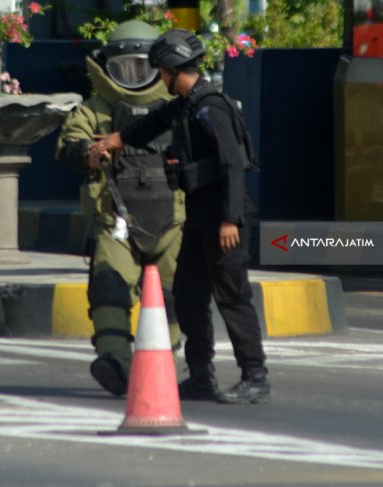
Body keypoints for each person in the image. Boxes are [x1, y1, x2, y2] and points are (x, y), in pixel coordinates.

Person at [89, 29, 269, 404]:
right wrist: (116, 140)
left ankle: (255, 375)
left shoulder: (211, 107)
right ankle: (201, 376)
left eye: (161, 72)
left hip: (223, 216)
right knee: (188, 295)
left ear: (171, 69)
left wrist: (230, 219)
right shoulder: (187, 105)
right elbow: (150, 124)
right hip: (200, 215)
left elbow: (234, 164)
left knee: (232, 295)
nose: (160, 79)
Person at [55, 20, 185, 397]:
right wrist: (88, 155)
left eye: (142, 66)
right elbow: (68, 146)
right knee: (108, 286)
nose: (133, 75)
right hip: (115, 218)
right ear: (106, 67)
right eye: (123, 67)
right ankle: (114, 360)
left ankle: (166, 359)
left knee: (176, 291)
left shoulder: (178, 107)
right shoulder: (95, 109)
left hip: (174, 218)